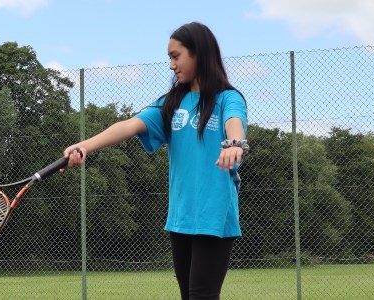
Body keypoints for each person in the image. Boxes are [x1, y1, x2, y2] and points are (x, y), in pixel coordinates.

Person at [62, 22, 248, 300]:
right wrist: (84, 146)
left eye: (176, 56)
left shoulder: (227, 98)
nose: (172, 65)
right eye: (169, 58)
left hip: (214, 216)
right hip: (180, 219)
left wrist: (234, 144)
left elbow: (235, 122)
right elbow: (127, 125)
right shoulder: (171, 103)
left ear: (199, 53)